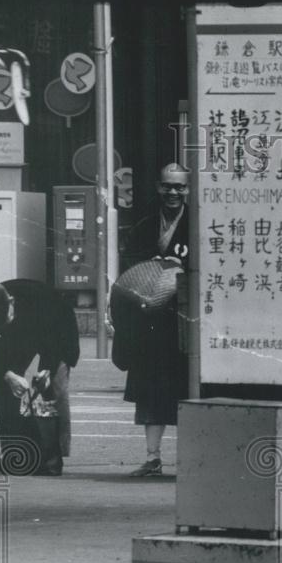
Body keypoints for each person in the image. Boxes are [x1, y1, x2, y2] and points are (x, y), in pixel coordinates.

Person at [115, 163, 189, 477]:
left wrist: (179, 267)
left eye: (179, 187)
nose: (172, 192)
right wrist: (153, 266)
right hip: (149, 322)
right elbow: (128, 268)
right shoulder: (144, 225)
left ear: (187, 189)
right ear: (158, 187)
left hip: (183, 322)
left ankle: (190, 458)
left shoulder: (199, 225)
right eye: (167, 186)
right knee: (150, 392)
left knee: (187, 391)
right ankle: (152, 457)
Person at [0, 279, 80, 476]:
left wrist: (47, 370)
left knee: (52, 388)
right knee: (4, 384)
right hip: (19, 334)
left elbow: (55, 343)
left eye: (7, 316)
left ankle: (51, 459)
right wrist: (8, 374)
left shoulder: (43, 304)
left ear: (12, 301)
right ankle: (13, 457)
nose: (5, 322)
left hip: (58, 329)